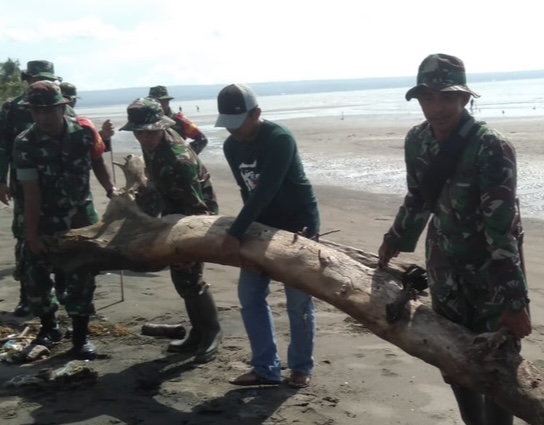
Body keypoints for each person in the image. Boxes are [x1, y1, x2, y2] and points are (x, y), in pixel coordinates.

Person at [377, 53, 531, 425]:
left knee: (497, 366)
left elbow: (501, 232)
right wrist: (395, 239)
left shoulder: (491, 147)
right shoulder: (417, 140)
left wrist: (515, 302)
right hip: (443, 268)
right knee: (452, 357)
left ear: (464, 99)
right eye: (428, 97)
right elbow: (418, 197)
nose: (437, 107)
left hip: (491, 272)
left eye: (447, 97)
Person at [214, 83, 319, 389]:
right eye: (228, 124)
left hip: (299, 225)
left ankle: (301, 366)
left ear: (256, 113)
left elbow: (266, 191)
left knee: (298, 302)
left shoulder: (279, 139)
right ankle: (265, 368)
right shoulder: (231, 147)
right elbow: (247, 191)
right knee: (250, 296)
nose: (233, 130)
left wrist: (235, 232)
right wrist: (246, 230)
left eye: (238, 122)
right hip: (260, 224)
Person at [13, 81, 117, 360]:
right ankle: (49, 328)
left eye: (48, 110)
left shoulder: (84, 132)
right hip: (41, 219)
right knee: (34, 278)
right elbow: (31, 192)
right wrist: (32, 236)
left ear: (62, 108)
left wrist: (111, 189)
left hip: (80, 218)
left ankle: (81, 338)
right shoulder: (25, 143)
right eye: (36, 111)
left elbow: (97, 161)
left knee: (81, 278)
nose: (43, 117)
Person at [119, 98, 222, 362]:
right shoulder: (154, 145)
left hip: (193, 214)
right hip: (172, 209)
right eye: (139, 132)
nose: (144, 137)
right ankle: (198, 332)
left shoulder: (179, 160)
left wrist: (192, 247)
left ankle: (211, 331)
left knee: (189, 274)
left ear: (161, 127)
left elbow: (198, 208)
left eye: (149, 131)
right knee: (181, 278)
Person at [0, 60, 64, 317]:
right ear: (28, 80)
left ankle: (64, 292)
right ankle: (28, 295)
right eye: (37, 78)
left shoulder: (61, 102)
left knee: (64, 235)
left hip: (59, 183)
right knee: (26, 236)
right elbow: (2, 145)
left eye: (47, 78)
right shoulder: (12, 108)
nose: (42, 82)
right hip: (23, 182)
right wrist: (1, 180)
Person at [147, 85, 208, 155]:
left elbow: (202, 139)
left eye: (158, 102)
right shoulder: (147, 121)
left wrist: (185, 154)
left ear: (166, 102)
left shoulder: (179, 119)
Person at [60, 82, 115, 150]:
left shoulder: (79, 123)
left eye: (73, 100)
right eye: (67, 100)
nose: (71, 103)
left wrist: (103, 135)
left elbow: (92, 149)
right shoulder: (56, 123)